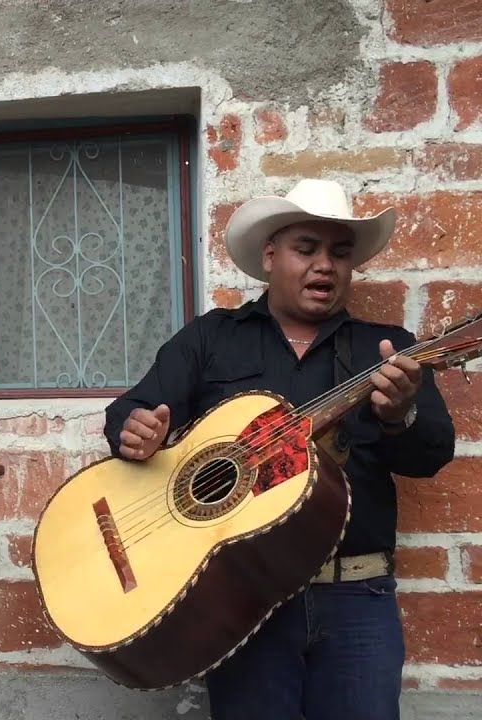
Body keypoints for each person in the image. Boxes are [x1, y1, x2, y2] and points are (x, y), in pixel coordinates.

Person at [103, 179, 455, 720]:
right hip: (245, 598)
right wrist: (137, 430)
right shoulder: (211, 338)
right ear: (270, 256)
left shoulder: (387, 350)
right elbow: (131, 411)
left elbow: (430, 455)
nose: (326, 266)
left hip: (356, 597)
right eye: (307, 249)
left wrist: (395, 414)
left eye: (340, 254)